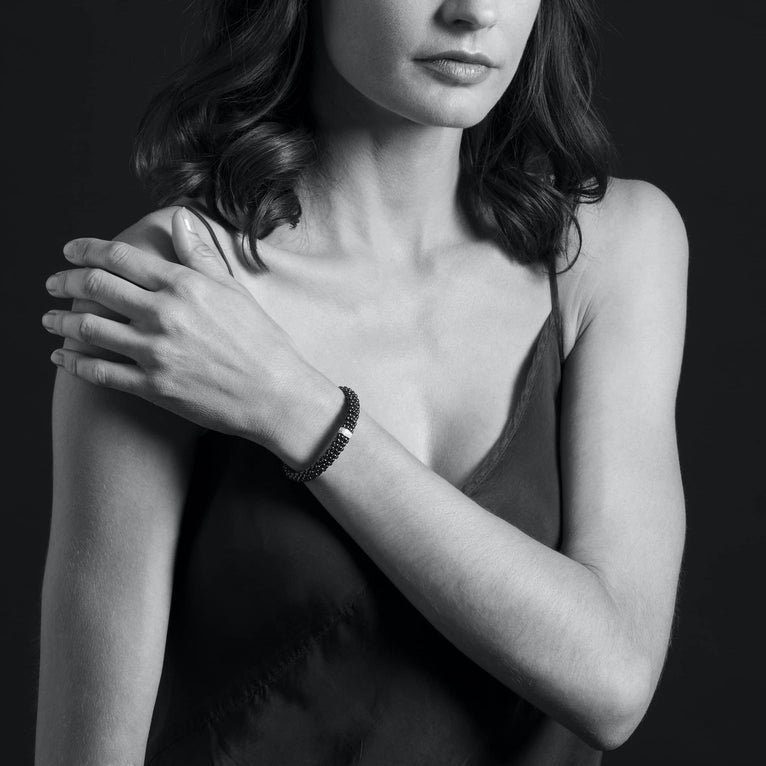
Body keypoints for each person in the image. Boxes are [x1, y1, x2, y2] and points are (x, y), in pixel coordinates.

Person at [35, 0, 688, 764]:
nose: (473, 12)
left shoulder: (607, 253)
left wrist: (296, 406)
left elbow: (612, 682)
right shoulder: (174, 298)